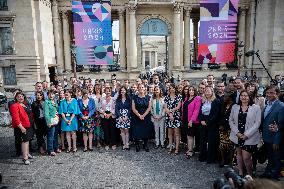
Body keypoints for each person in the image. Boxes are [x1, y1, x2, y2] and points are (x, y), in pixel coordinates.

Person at [229, 90, 261, 176]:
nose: (244, 97)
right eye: (242, 95)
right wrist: (237, 133)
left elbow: (257, 123)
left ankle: (250, 175)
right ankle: (240, 172)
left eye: (246, 96)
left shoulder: (256, 108)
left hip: (249, 137)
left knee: (246, 157)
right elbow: (231, 121)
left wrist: (247, 134)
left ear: (250, 97)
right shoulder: (235, 107)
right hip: (237, 136)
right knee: (239, 154)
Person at [261, 85, 284, 180]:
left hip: (275, 138)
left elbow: (281, 126)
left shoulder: (281, 106)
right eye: (267, 93)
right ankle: (268, 172)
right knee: (270, 157)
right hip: (267, 137)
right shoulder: (267, 104)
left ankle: (274, 177)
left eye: (271, 93)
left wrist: (277, 141)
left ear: (277, 94)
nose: (269, 95)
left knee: (277, 158)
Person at [10, 91, 34, 165]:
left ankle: (27, 153)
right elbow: (16, 118)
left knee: (27, 140)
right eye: (19, 96)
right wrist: (21, 127)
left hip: (28, 125)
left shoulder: (25, 104)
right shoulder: (14, 105)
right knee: (24, 141)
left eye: (22, 96)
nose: (21, 97)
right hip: (22, 126)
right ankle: (25, 158)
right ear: (16, 98)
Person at [199, 86, 221, 163]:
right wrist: (201, 120)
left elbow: (216, 114)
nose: (207, 93)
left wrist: (208, 122)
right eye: (206, 91)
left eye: (208, 91)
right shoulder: (203, 101)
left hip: (212, 123)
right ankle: (203, 156)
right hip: (203, 122)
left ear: (212, 92)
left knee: (212, 142)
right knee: (203, 141)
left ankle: (211, 158)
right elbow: (200, 111)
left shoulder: (216, 101)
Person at [131, 84, 153, 152]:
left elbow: (149, 107)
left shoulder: (148, 97)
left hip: (146, 116)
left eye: (142, 87)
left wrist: (143, 115)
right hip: (136, 116)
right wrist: (139, 115)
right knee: (137, 130)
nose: (141, 88)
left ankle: (145, 144)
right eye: (140, 87)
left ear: (145, 88)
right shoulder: (134, 97)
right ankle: (137, 144)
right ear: (138, 88)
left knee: (145, 130)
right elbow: (133, 108)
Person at [182, 86, 202, 159]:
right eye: (189, 90)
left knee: (190, 135)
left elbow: (196, 110)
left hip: (192, 121)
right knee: (188, 135)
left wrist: (191, 120)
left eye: (192, 90)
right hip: (185, 119)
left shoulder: (197, 98)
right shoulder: (186, 98)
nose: (191, 91)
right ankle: (189, 148)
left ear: (195, 91)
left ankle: (191, 150)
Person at [164, 83, 182, 155]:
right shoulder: (166, 97)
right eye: (171, 88)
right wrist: (170, 114)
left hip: (176, 117)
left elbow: (178, 107)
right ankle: (171, 147)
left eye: (173, 88)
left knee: (177, 133)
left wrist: (171, 111)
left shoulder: (179, 96)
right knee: (170, 134)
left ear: (175, 89)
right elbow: (165, 107)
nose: (172, 89)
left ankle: (177, 148)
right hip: (169, 116)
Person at [218, 90, 234, 167]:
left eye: (226, 96)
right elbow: (220, 116)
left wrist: (226, 126)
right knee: (222, 146)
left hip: (230, 129)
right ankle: (223, 160)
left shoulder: (234, 106)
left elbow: (233, 118)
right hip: (222, 128)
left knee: (230, 146)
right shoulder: (223, 105)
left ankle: (231, 161)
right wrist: (221, 125)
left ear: (230, 98)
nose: (224, 98)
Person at [44, 90, 61, 156]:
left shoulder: (55, 101)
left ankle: (56, 147)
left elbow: (57, 109)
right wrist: (48, 122)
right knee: (50, 136)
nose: (51, 96)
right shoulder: (46, 102)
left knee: (55, 135)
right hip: (51, 121)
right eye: (50, 94)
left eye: (52, 94)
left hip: (56, 121)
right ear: (47, 95)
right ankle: (50, 150)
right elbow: (46, 113)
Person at [115, 86, 132, 150]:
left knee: (127, 130)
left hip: (127, 116)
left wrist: (127, 116)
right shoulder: (118, 99)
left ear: (126, 91)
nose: (122, 91)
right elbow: (116, 108)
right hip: (120, 116)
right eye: (121, 90)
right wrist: (119, 117)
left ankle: (127, 144)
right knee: (122, 130)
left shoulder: (129, 99)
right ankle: (124, 144)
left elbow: (130, 108)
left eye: (124, 90)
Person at [93, 83, 104, 148]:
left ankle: (103, 140)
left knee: (103, 128)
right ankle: (98, 141)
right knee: (97, 128)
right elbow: (92, 106)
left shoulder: (103, 95)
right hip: (95, 115)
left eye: (99, 88)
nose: (97, 89)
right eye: (96, 88)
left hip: (103, 114)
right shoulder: (92, 96)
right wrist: (97, 113)